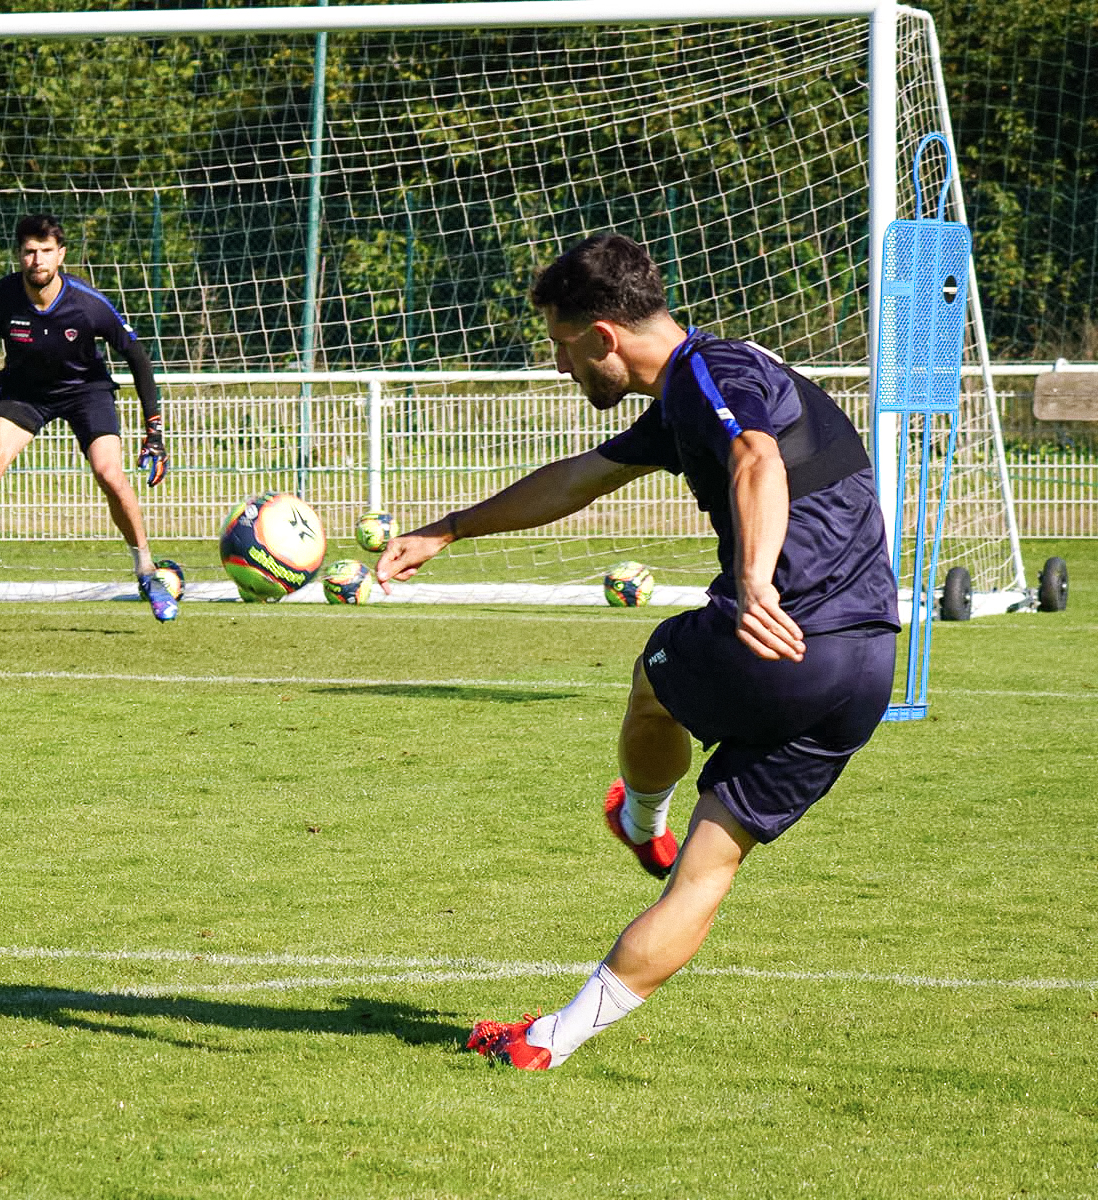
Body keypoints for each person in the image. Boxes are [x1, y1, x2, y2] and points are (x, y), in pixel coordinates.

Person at [376, 233, 898, 1070]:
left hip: (776, 638)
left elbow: (755, 458)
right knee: (706, 873)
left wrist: (757, 584)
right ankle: (550, 1040)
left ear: (603, 337)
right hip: (867, 670)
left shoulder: (712, 375)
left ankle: (638, 816)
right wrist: (448, 528)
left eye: (559, 347)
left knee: (654, 674)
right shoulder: (696, 393)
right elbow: (578, 478)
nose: (559, 367)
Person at [0, 213, 176, 628]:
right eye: (29, 251)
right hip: (23, 394)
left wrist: (153, 430)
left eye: (46, 251)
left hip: (86, 392)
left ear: (61, 255)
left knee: (110, 474)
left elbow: (136, 357)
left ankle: (148, 575)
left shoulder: (88, 303)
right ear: (19, 256)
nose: (37, 259)